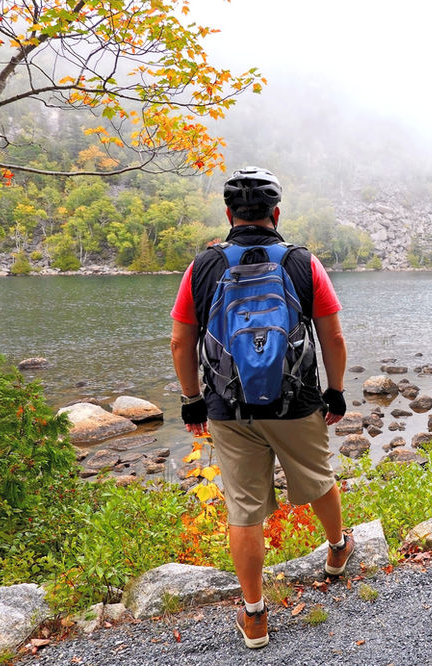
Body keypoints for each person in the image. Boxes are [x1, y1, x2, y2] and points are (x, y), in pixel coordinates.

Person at [169, 166, 354, 649]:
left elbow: (180, 342)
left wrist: (192, 401)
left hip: (229, 408)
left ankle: (254, 615)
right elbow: (332, 337)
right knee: (319, 479)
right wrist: (335, 391)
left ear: (228, 214)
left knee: (244, 508)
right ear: (277, 213)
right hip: (297, 401)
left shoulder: (203, 266)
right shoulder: (302, 262)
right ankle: (337, 551)